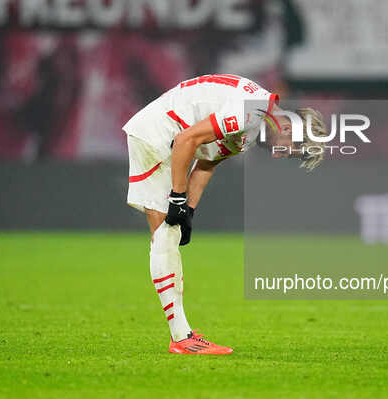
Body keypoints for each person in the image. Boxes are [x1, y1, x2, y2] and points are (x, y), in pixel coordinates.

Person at [123, 74, 325, 355]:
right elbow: (185, 140)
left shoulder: (254, 125)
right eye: (289, 149)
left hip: (164, 135)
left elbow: (207, 162)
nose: (280, 155)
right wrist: (178, 198)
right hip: (160, 134)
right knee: (164, 237)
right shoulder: (251, 112)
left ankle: (182, 334)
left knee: (169, 234)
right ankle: (181, 338)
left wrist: (188, 211)